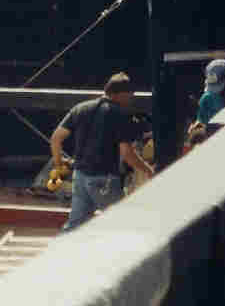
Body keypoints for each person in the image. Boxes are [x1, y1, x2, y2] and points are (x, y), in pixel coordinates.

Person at [51, 72, 154, 232]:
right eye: (130, 96)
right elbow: (127, 153)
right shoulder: (120, 114)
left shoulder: (80, 108)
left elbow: (56, 139)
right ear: (122, 94)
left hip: (80, 176)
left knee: (75, 226)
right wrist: (148, 170)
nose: (130, 100)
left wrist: (59, 164)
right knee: (123, 223)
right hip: (103, 179)